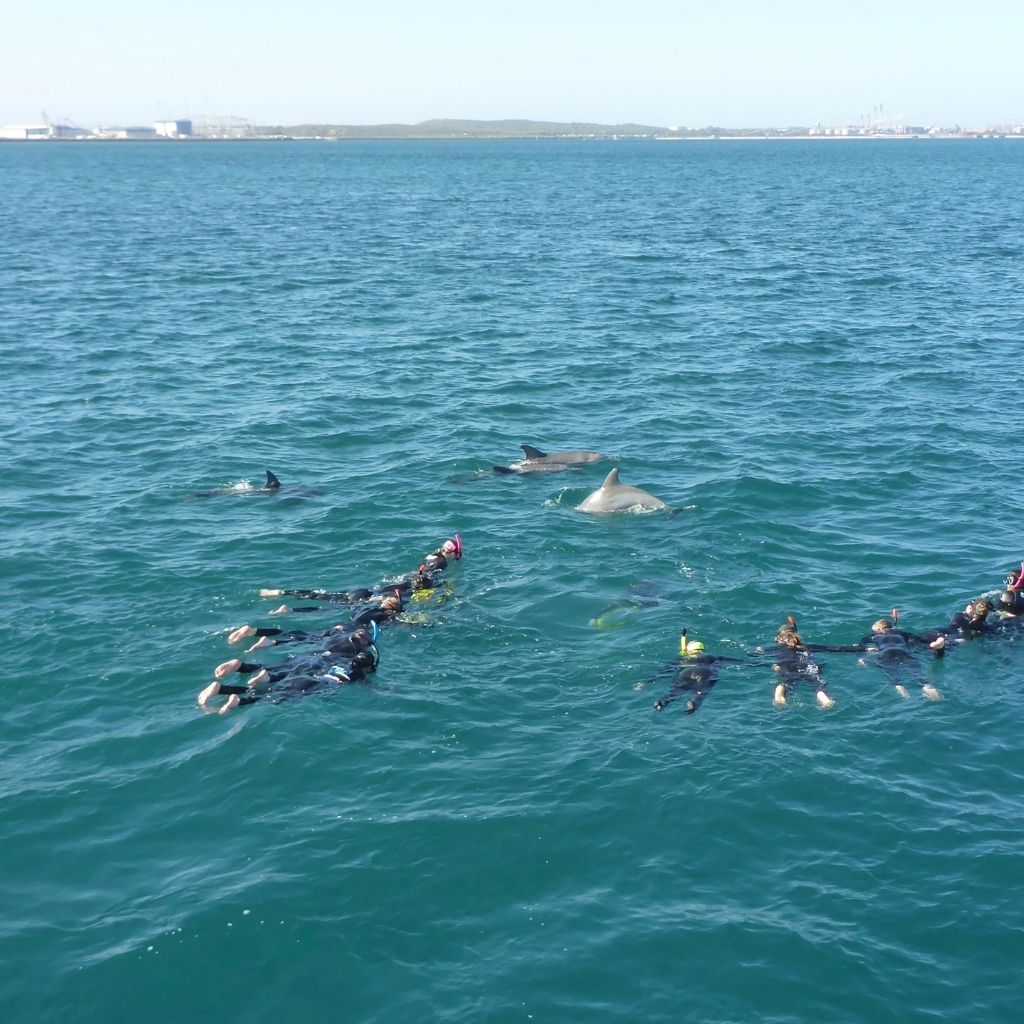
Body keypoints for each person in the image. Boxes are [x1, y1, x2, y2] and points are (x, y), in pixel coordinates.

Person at [198, 649, 379, 714]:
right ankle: (239, 701)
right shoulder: (360, 675)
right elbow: (369, 687)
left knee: (272, 689)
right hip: (315, 686)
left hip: (307, 678)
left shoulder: (340, 664)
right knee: (272, 696)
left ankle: (222, 689)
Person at [752, 617, 860, 710]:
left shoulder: (778, 648)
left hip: (790, 666)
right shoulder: (808, 647)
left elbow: (757, 655)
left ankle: (779, 696)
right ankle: (825, 700)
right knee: (818, 685)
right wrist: (863, 649)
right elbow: (836, 648)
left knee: (784, 683)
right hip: (809, 666)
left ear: (780, 639)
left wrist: (759, 650)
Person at [639, 630, 745, 715]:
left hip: (686, 672)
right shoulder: (712, 657)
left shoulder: (683, 658)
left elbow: (665, 670)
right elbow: (739, 662)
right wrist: (757, 658)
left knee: (676, 691)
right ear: (702, 650)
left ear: (689, 651)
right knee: (701, 691)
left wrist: (646, 681)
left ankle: (662, 702)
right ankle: (693, 703)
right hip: (704, 671)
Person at [857, 612, 941, 700]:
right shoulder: (903, 633)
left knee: (892, 673)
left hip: (886, 653)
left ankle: (901, 689)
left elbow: (862, 647)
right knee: (917, 673)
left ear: (878, 629)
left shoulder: (873, 637)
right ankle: (927, 686)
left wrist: (861, 659)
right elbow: (919, 641)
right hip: (903, 652)